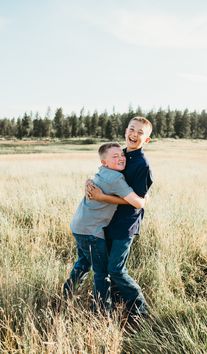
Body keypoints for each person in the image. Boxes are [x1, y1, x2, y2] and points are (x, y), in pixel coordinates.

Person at [63, 142, 146, 311]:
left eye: (121, 155)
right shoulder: (116, 178)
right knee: (102, 273)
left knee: (84, 262)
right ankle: (101, 310)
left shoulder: (102, 171)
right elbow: (137, 203)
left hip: (79, 226)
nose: (121, 158)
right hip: (92, 231)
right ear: (104, 162)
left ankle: (66, 295)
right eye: (114, 157)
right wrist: (145, 199)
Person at [87, 116, 153, 318]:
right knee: (104, 269)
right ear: (125, 131)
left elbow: (139, 202)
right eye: (132, 129)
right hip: (106, 221)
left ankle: (141, 309)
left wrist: (102, 197)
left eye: (140, 132)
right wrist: (89, 182)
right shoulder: (119, 154)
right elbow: (103, 173)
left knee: (116, 269)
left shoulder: (143, 165)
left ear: (146, 140)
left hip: (125, 224)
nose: (134, 134)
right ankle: (110, 306)